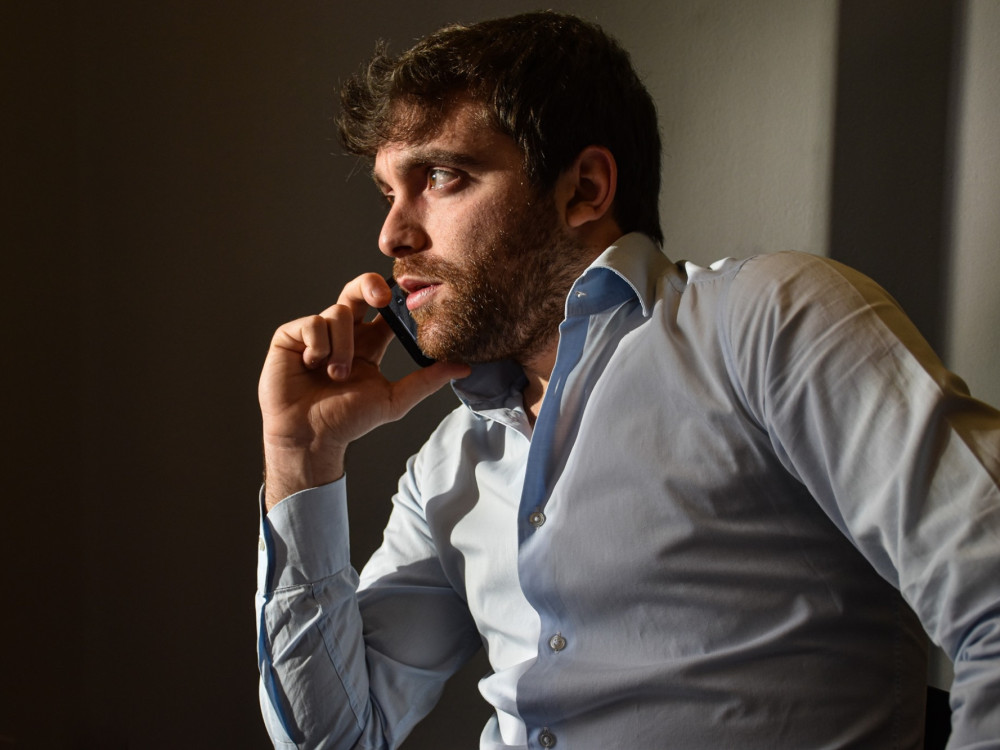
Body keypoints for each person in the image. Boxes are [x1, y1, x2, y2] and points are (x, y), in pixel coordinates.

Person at [255, 11, 1000, 749]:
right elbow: (335, 738)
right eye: (389, 192)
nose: (391, 235)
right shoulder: (452, 461)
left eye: (441, 176)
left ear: (584, 189)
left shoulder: (767, 322)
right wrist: (301, 458)